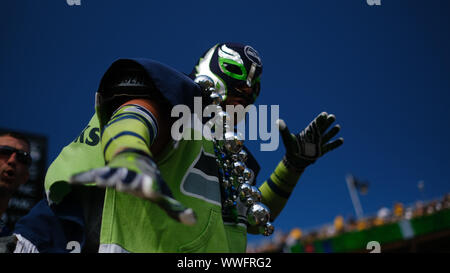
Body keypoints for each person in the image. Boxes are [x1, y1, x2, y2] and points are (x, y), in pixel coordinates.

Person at [9, 42, 343, 253]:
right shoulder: (177, 98)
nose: (245, 94)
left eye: (251, 93)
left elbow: (254, 220)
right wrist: (130, 155)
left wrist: (293, 166)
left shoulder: (233, 158)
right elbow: (136, 116)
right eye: (237, 86)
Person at [0, 132, 32, 236]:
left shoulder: (13, 244)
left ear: (25, 177)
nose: (12, 160)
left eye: (22, 157)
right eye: (4, 151)